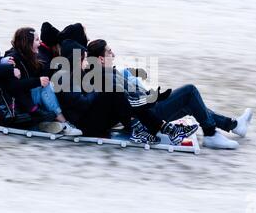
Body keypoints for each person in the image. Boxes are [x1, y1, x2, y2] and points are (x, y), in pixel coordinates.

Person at [86, 39, 254, 150]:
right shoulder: (104, 77)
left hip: (146, 109)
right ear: (101, 59)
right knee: (190, 91)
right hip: (145, 116)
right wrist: (155, 97)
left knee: (190, 101)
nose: (113, 54)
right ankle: (211, 134)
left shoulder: (109, 73)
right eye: (109, 52)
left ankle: (232, 125)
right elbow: (130, 104)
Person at [54, 40, 198, 144]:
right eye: (84, 59)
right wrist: (98, 90)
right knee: (113, 92)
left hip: (95, 118)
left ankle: (165, 128)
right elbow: (83, 104)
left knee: (118, 93)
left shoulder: (80, 75)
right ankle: (155, 126)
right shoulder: (66, 79)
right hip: (85, 127)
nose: (87, 63)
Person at [4, 27, 82, 136]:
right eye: (37, 40)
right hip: (18, 104)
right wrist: (38, 82)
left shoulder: (30, 57)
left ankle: (49, 122)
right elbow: (13, 86)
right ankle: (64, 123)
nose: (40, 42)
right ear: (27, 42)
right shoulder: (13, 60)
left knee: (50, 83)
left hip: (28, 100)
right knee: (46, 85)